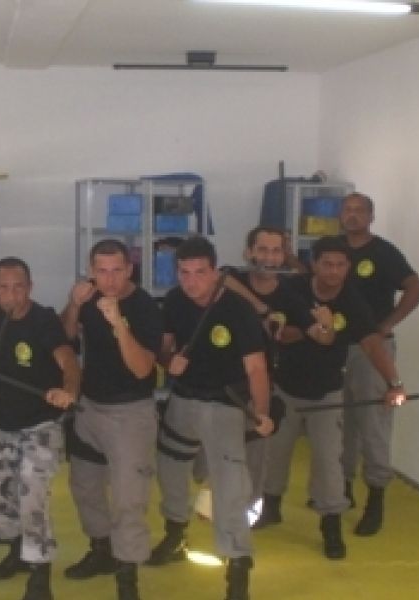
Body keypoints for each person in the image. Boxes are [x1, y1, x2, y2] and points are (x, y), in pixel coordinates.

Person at [256, 235, 408, 560]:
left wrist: (394, 382)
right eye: (327, 264)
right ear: (314, 264)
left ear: (348, 267)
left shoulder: (353, 301)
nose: (333, 271)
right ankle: (270, 507)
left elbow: (372, 344)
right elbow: (277, 330)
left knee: (329, 462)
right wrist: (311, 329)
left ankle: (331, 525)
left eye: (340, 265)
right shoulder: (293, 289)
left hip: (327, 392)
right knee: (275, 454)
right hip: (286, 388)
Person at [150, 235, 272, 600]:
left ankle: (237, 565)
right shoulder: (174, 300)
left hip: (225, 405)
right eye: (184, 273)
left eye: (200, 272)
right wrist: (167, 361)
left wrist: (262, 413)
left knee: (230, 485)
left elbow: (257, 368)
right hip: (183, 399)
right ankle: (175, 535)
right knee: (170, 470)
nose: (191, 281)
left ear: (215, 272)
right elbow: (163, 348)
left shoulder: (237, 309)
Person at [0, 257, 80, 600]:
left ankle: (40, 572)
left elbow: (68, 361)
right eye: (4, 288)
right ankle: (18, 549)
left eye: (19, 287)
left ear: (30, 288)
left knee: (31, 494)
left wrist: (68, 391)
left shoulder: (44, 319)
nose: (12, 295)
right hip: (3, 424)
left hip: (41, 424)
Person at [60, 239, 163, 600]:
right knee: (84, 486)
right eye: (101, 271)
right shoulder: (88, 298)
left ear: (129, 270)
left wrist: (118, 322)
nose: (109, 279)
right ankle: (101, 550)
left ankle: (127, 577)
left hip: (130, 414)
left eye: (117, 270)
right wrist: (74, 304)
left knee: (128, 498)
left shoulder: (145, 306)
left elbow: (143, 368)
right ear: (91, 271)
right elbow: (65, 337)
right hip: (90, 408)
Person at [222, 226, 334, 513]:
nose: (269, 258)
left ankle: (247, 516)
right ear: (248, 252)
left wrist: (327, 325)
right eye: (262, 249)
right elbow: (219, 276)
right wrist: (261, 308)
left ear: (284, 256)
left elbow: (322, 337)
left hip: (258, 389)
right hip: (221, 388)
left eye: (276, 251)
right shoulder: (234, 278)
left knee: (256, 459)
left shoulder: (290, 295)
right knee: (216, 463)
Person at [338, 192, 419, 536]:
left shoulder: (383, 252)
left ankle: (375, 498)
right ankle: (341, 488)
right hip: (335, 347)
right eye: (347, 210)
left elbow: (416, 288)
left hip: (372, 350)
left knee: (373, 424)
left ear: (371, 216)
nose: (353, 215)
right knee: (340, 423)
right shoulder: (333, 250)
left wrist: (388, 323)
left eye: (360, 211)